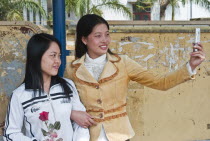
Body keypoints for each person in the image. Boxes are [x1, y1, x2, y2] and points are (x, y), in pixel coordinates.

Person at [64, 14, 205, 141]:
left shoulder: (123, 63)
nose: (105, 40)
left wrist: (190, 66)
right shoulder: (71, 69)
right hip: (85, 136)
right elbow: (61, 102)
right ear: (84, 39)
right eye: (98, 35)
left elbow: (160, 82)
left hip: (120, 135)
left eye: (107, 34)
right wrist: (72, 114)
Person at [3, 33, 89, 141]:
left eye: (59, 56)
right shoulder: (20, 95)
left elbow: (81, 124)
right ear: (37, 56)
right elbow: (10, 134)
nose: (58, 61)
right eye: (53, 55)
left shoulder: (68, 86)